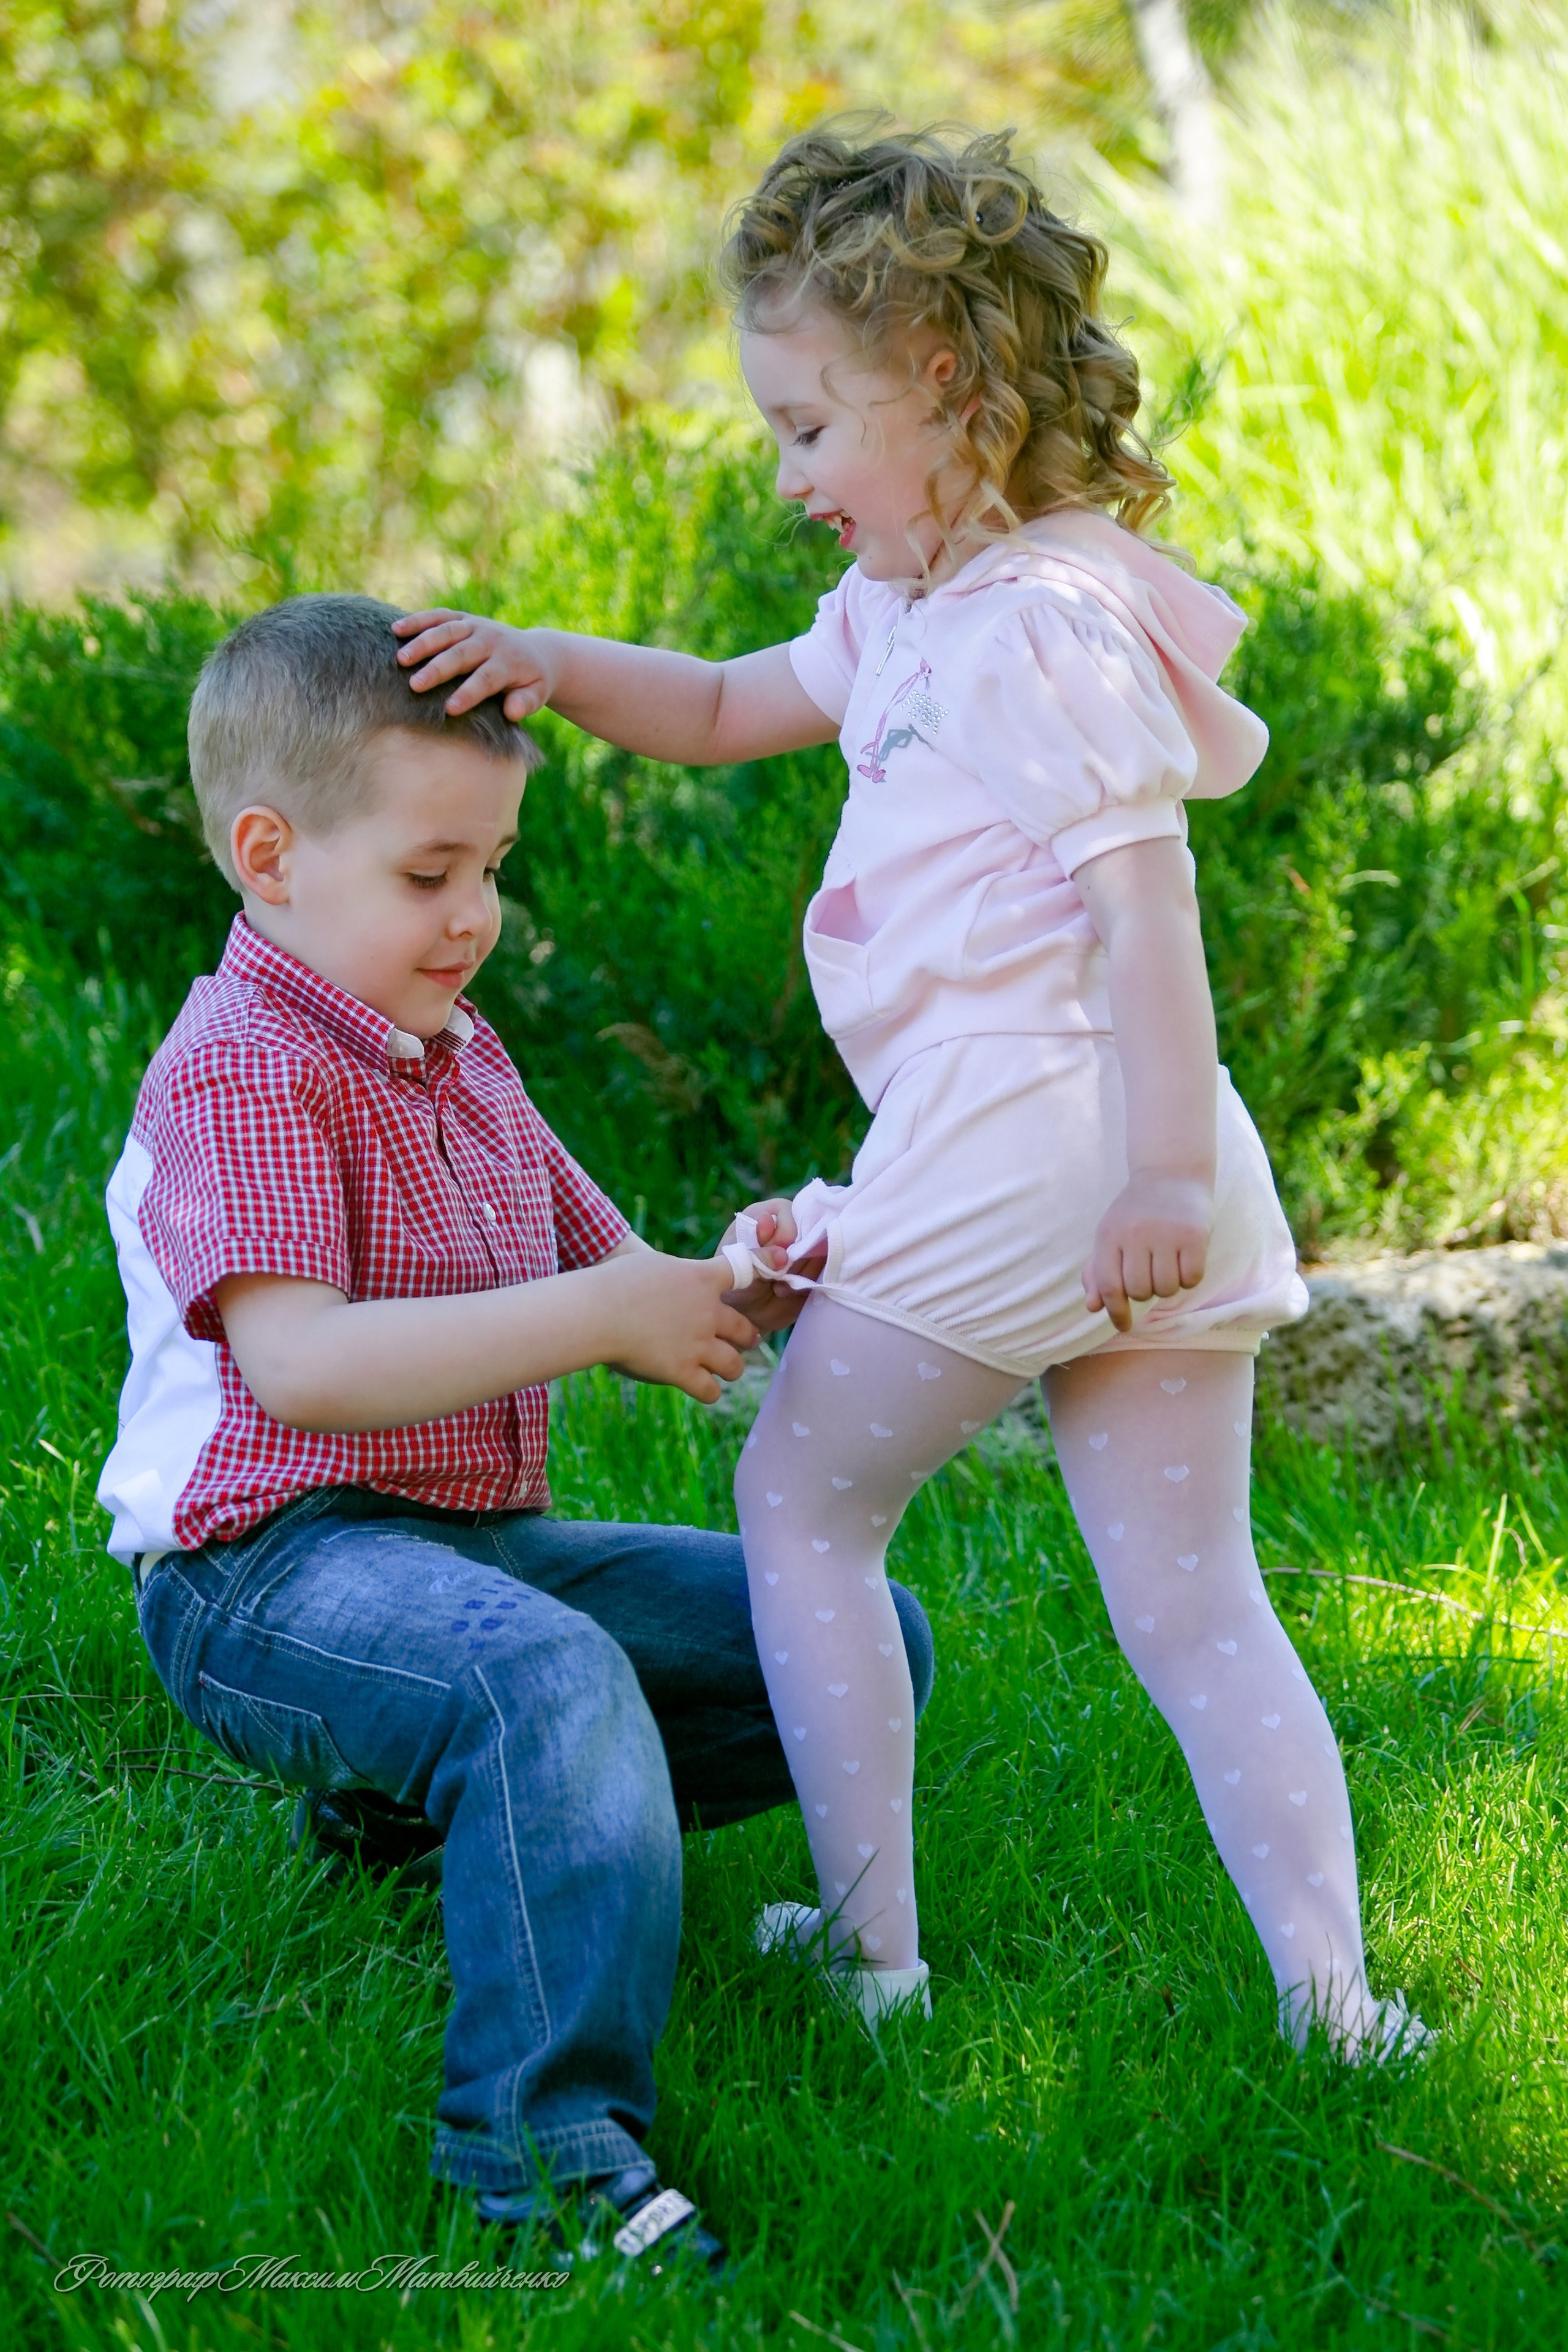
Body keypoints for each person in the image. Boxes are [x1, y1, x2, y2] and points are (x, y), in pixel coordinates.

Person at [389, 123, 1429, 2060]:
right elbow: (712, 705)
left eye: (804, 427)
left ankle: (874, 1963)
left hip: (1063, 1132)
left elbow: (1147, 903)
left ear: (944, 381)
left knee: (800, 1501)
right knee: (1198, 1601)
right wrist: (541, 659)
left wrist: (1154, 1171)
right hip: (1125, 1151)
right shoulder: (912, 617)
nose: (787, 476)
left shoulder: (1032, 624)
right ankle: (1333, 2003)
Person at [94, 590, 939, 2268]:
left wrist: (749, 1273)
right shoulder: (242, 1067)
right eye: (432, 874)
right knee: (544, 1681)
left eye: (491, 867)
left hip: (463, 1547)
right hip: (266, 1571)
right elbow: (306, 1372)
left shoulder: (452, 1049)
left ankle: (418, 1827)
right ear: (271, 856)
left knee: (855, 1642)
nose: (475, 914)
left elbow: (614, 1275)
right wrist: (600, 1316)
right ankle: (538, 2148)